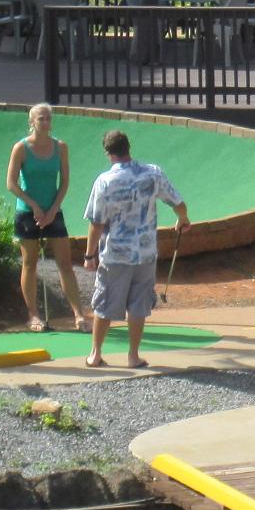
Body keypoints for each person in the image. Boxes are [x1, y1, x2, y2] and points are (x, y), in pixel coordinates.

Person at [82, 128, 190, 369]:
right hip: (145, 252)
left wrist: (90, 255)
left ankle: (95, 353)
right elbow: (178, 202)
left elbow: (96, 222)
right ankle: (133, 356)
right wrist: (182, 219)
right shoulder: (152, 174)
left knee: (105, 303)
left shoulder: (105, 181)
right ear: (128, 148)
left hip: (116, 254)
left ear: (108, 153)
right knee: (139, 305)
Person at [6, 104, 88, 333]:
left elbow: (64, 182)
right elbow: (11, 183)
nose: (46, 122)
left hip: (53, 211)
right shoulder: (21, 148)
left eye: (48, 119)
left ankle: (79, 315)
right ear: (32, 122)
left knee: (65, 263)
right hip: (27, 212)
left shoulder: (60, 147)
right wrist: (33, 206)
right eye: (41, 119)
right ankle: (33, 315)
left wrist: (53, 209)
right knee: (30, 263)